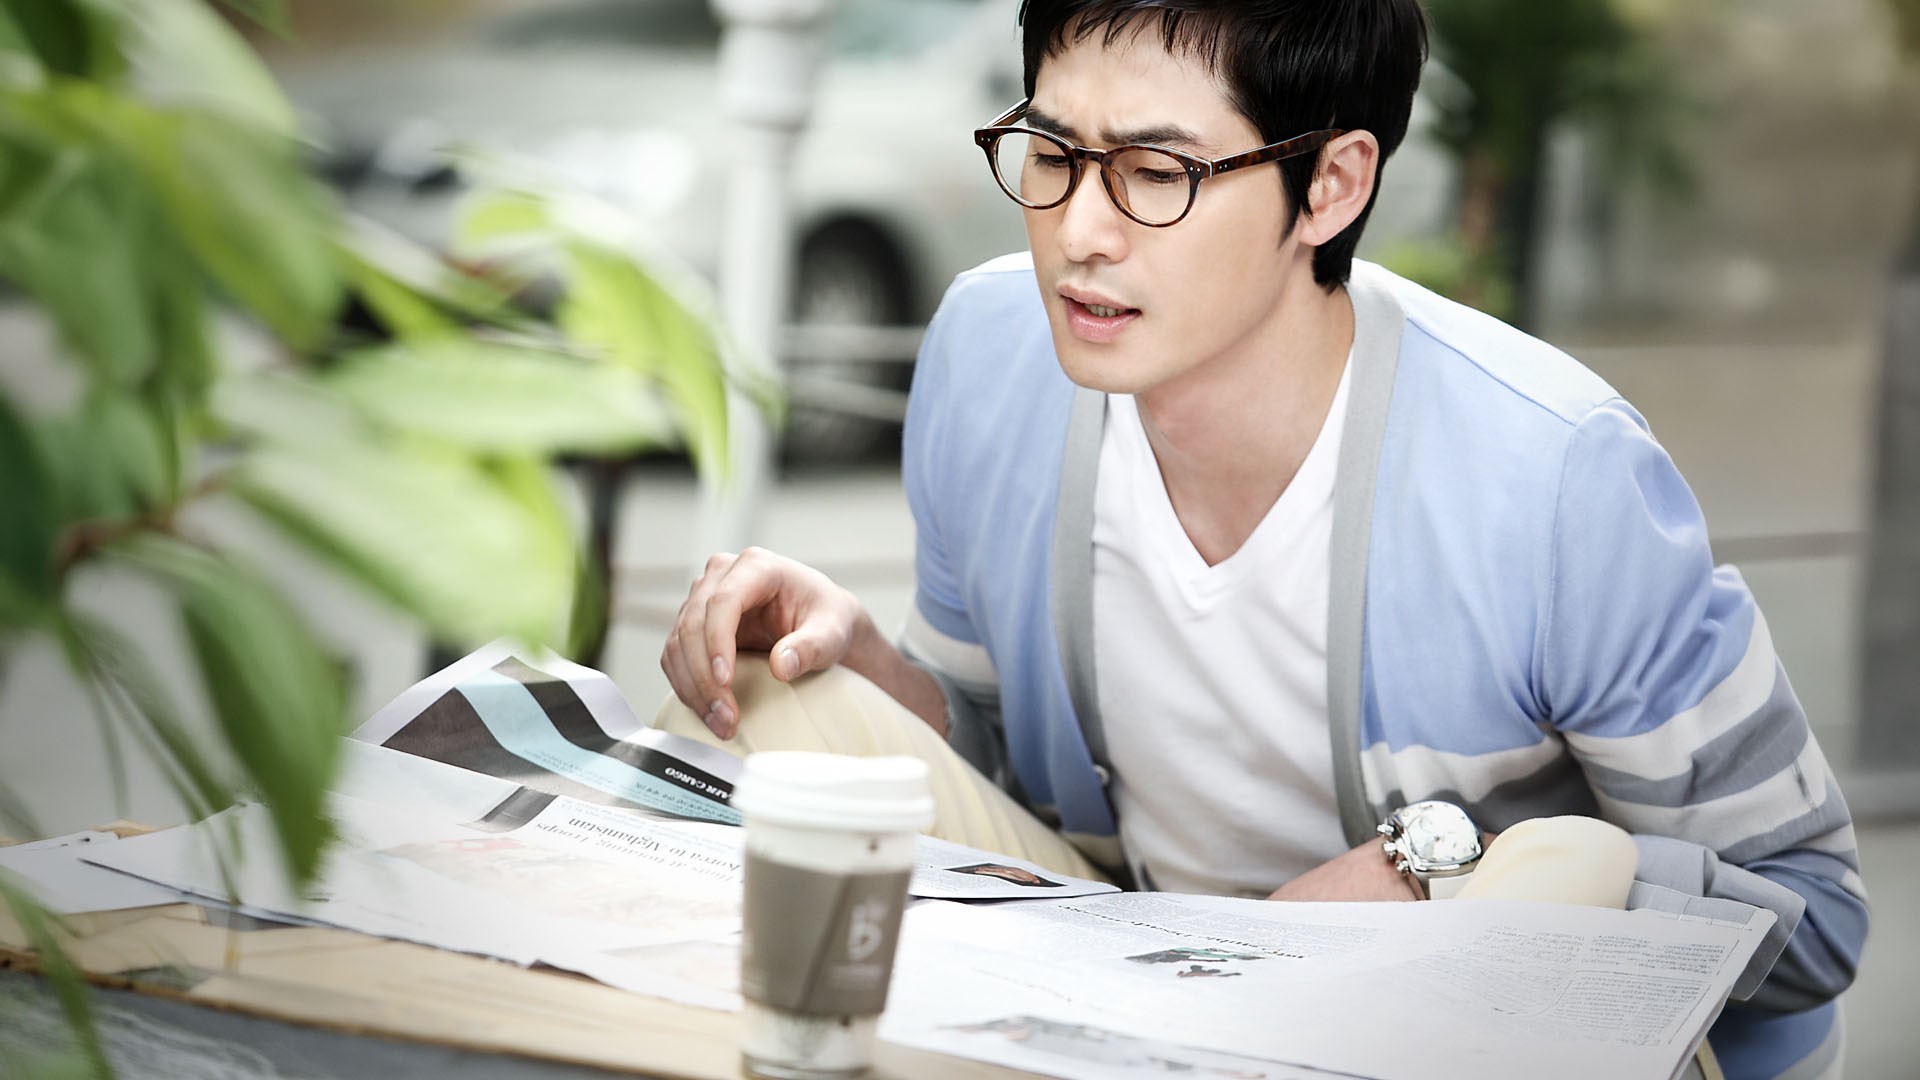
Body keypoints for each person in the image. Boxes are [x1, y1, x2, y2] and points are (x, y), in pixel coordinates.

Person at [659, 3, 1868, 1077]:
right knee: (768, 692)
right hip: (1127, 966)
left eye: (1156, 173)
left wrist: (1438, 869)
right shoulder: (991, 352)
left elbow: (1815, 914)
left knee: (1562, 873)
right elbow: (999, 770)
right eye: (1055, 154)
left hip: (1440, 1026)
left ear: (1331, 185)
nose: (1079, 231)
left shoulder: (1552, 477)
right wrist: (863, 659)